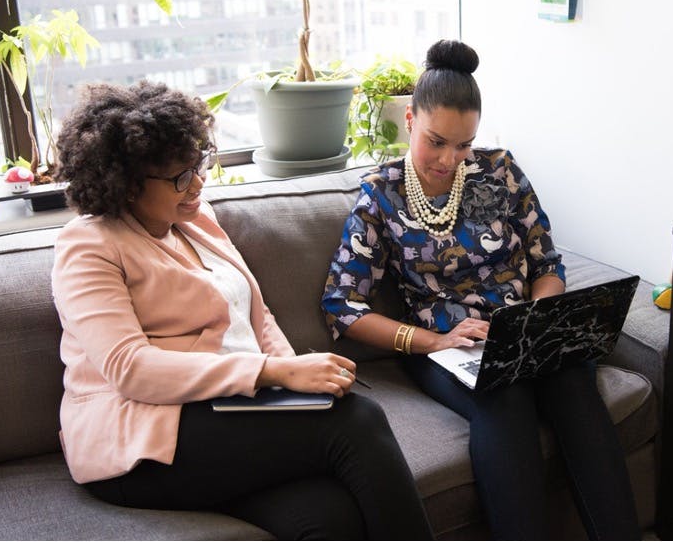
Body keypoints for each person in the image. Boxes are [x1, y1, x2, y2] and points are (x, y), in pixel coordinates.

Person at [51, 80, 432, 541]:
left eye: (198, 163)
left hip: (226, 414)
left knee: (328, 517)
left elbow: (257, 314)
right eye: (179, 177)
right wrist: (273, 374)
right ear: (127, 185)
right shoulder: (89, 246)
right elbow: (130, 369)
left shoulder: (195, 219)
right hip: (140, 441)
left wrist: (299, 380)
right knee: (358, 420)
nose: (197, 181)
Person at [321, 40, 640, 540]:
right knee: (504, 396)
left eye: (464, 144)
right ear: (409, 120)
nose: (450, 159)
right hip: (448, 346)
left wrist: (539, 319)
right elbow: (342, 307)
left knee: (573, 380)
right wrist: (434, 341)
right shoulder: (379, 196)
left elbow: (546, 262)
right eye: (437, 141)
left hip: (523, 330)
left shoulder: (501, 171)